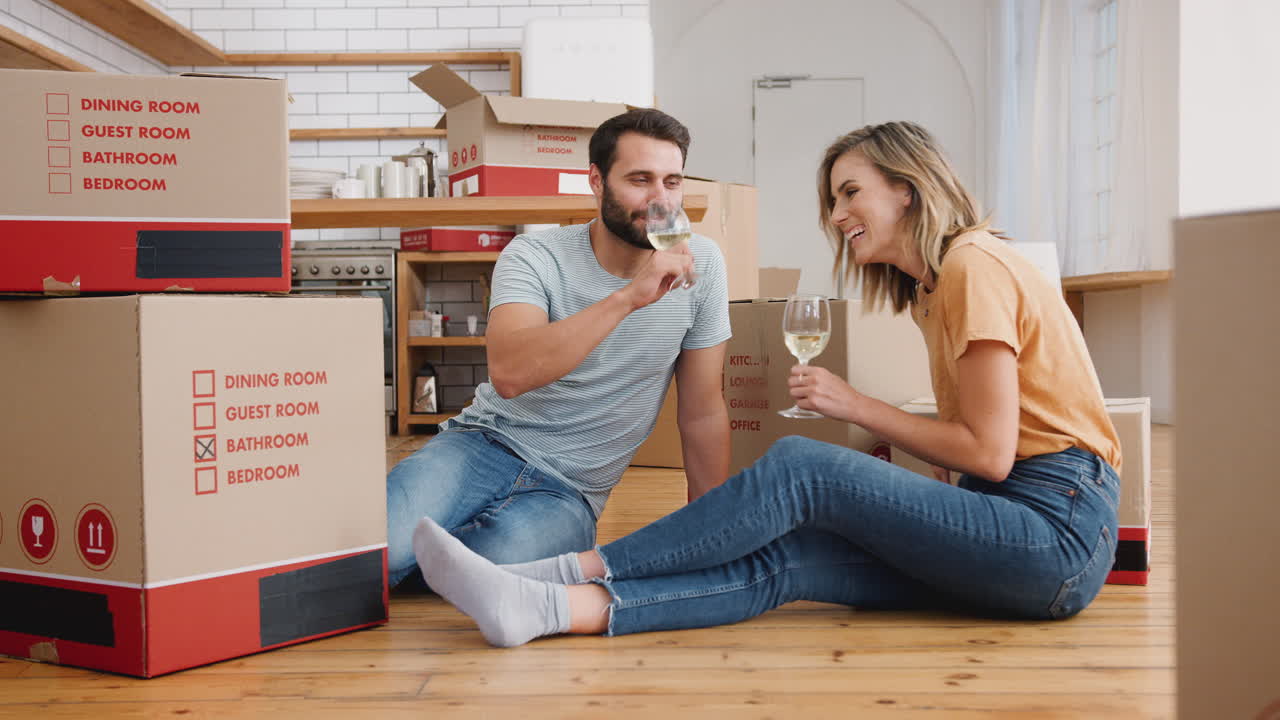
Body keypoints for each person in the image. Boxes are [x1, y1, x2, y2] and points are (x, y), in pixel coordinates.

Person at [409, 120, 1125, 648]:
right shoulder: (935, 289)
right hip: (1019, 533)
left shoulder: (973, 266)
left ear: (906, 192)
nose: (837, 215)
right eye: (832, 199)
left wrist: (856, 408)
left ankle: (558, 572)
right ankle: (548, 610)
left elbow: (993, 453)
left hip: (1052, 532)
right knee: (790, 560)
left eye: (850, 193)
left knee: (802, 467)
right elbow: (984, 449)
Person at [384, 108, 732, 589]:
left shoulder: (704, 266)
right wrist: (629, 297)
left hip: (571, 492)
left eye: (672, 182)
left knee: (492, 564)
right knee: (380, 547)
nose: (660, 200)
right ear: (596, 181)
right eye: (640, 179)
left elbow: (702, 411)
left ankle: (430, 564)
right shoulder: (535, 255)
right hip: (482, 446)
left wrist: (707, 530)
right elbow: (510, 373)